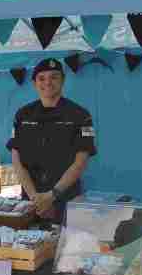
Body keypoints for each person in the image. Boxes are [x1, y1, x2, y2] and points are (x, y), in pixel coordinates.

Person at [8, 58, 97, 222]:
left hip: (65, 199)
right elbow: (16, 159)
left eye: (54, 77)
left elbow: (81, 162)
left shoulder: (81, 115)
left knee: (64, 245)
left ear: (63, 80)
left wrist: (52, 196)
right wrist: (36, 199)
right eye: (41, 78)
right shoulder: (22, 115)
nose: (47, 82)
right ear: (34, 83)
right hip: (31, 200)